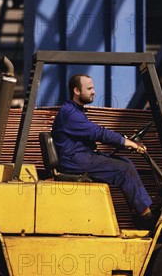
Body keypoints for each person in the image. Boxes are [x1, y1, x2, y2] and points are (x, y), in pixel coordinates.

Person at [51, 74, 156, 228]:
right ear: (76, 91)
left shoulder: (75, 111)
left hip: (81, 156)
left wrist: (125, 142)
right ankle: (145, 217)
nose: (94, 91)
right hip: (75, 159)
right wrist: (127, 143)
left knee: (125, 162)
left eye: (93, 88)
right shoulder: (70, 113)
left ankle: (138, 212)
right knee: (124, 169)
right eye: (89, 88)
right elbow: (98, 133)